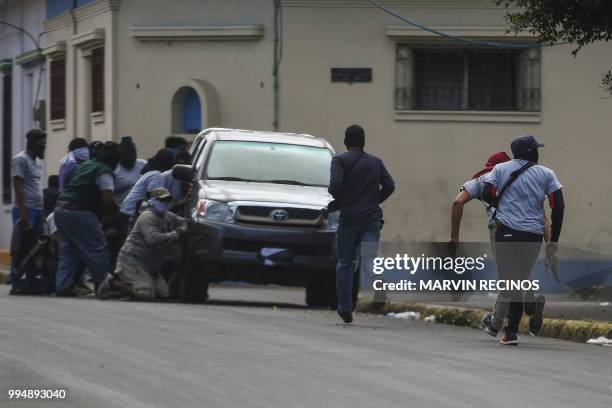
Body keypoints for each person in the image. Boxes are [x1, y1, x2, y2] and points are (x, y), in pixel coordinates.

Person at [481, 135, 565, 346]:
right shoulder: (547, 174)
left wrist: (501, 206)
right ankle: (511, 331)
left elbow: (487, 192)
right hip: (532, 235)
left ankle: (501, 325)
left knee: (509, 279)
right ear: (530, 152)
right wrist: (553, 239)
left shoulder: (499, 170)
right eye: (536, 149)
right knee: (518, 280)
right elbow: (558, 205)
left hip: (506, 230)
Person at [328, 124, 395, 323]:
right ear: (363, 141)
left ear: (346, 142)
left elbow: (335, 187)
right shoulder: (376, 162)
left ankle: (345, 308)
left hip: (349, 221)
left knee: (345, 264)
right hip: (372, 219)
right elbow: (390, 185)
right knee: (368, 260)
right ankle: (379, 286)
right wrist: (374, 201)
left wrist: (342, 199)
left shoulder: (339, 160)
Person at [54, 142, 122, 296]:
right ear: (115, 160)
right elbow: (108, 199)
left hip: (61, 209)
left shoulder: (87, 165)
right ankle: (103, 287)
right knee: (97, 248)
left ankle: (62, 285)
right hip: (81, 212)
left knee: (68, 250)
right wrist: (119, 212)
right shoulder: (104, 171)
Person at [98, 187, 186, 301]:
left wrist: (182, 228)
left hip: (149, 265)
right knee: (146, 293)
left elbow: (184, 221)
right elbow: (152, 239)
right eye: (161, 200)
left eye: (167, 200)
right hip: (132, 261)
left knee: (163, 293)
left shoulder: (167, 216)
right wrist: (176, 234)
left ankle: (124, 292)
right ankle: (111, 283)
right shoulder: (147, 216)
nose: (164, 203)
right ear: (152, 201)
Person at [9, 129, 47, 294]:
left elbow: (36, 186)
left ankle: (31, 283)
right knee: (21, 247)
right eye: (42, 143)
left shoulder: (37, 162)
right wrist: (23, 211)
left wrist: (42, 212)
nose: (44, 147)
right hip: (25, 209)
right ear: (33, 143)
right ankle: (16, 283)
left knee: (35, 248)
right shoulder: (20, 160)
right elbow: (17, 184)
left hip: (37, 210)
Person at [117, 148, 175, 245]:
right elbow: (154, 198)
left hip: (126, 212)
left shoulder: (152, 173)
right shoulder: (157, 176)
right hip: (131, 214)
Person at [113, 136, 146, 204]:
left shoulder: (143, 164)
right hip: (121, 208)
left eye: (132, 154)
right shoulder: (115, 170)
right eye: (127, 155)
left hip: (142, 207)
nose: (130, 158)